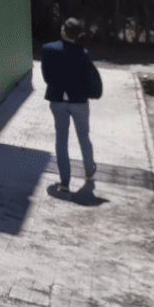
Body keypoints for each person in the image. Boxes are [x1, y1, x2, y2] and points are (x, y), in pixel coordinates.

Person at [39, 17, 99, 193]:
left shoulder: (47, 49)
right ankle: (89, 170)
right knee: (83, 136)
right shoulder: (83, 53)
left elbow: (46, 77)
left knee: (61, 140)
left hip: (57, 100)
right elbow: (88, 79)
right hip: (79, 102)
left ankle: (64, 182)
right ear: (78, 35)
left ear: (63, 30)